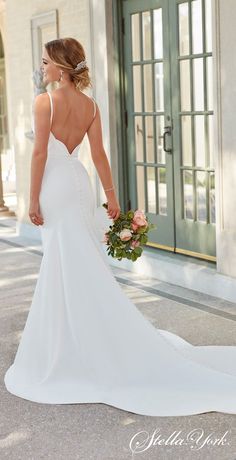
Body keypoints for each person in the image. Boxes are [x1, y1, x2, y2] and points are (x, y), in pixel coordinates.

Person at [4, 37, 236, 417]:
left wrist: (30, 200)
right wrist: (111, 197)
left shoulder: (44, 101)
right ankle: (87, 335)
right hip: (79, 186)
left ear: (61, 68)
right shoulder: (90, 106)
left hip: (54, 187)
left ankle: (71, 346)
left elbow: (41, 153)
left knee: (62, 262)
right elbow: (98, 155)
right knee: (78, 260)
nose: (42, 67)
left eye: (46, 62)